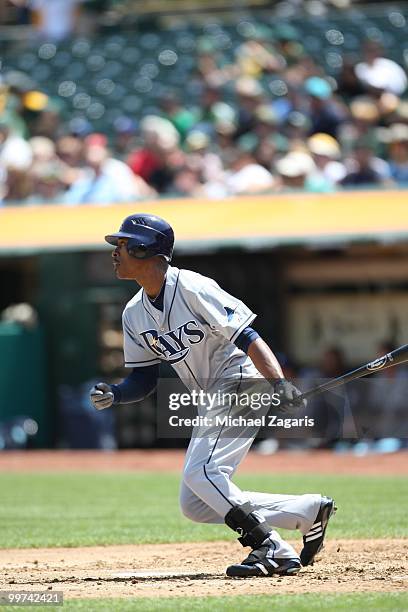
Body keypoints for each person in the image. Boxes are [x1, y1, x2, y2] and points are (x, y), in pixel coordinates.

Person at [90, 213, 336, 578]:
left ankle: (270, 547)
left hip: (241, 379)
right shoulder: (133, 313)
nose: (115, 253)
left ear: (146, 250)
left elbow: (247, 336)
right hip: (213, 395)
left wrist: (277, 382)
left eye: (123, 246)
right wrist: (117, 393)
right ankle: (305, 510)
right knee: (197, 503)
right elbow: (143, 380)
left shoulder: (191, 287)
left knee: (201, 472)